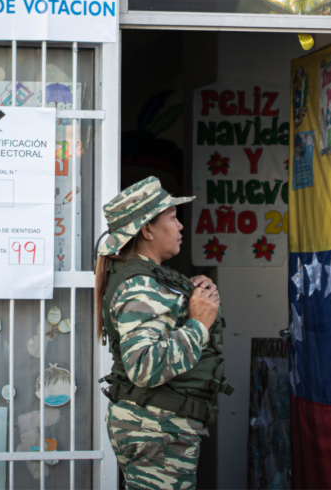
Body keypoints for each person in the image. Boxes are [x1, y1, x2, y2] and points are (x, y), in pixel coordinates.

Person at [95, 176, 231, 489]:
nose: (181, 225)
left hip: (158, 426)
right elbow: (144, 367)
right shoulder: (139, 285)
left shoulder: (148, 277)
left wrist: (193, 296)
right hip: (156, 427)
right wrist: (198, 323)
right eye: (172, 217)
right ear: (147, 229)